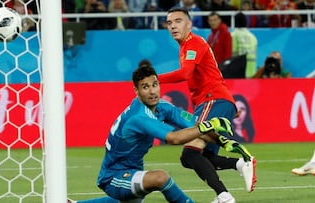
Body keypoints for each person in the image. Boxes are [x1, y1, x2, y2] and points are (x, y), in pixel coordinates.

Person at [68, 64, 234, 203]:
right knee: (160, 178)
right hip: (114, 177)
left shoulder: (162, 106)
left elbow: (195, 125)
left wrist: (227, 143)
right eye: (145, 87)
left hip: (133, 171)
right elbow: (174, 138)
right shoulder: (139, 116)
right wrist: (209, 126)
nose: (152, 91)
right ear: (136, 90)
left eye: (155, 84)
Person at [159, 8, 257, 202]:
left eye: (178, 21)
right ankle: (237, 169)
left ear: (189, 24)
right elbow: (210, 75)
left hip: (212, 100)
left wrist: (155, 78)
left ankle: (225, 195)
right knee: (202, 157)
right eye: (170, 23)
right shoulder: (187, 46)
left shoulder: (193, 43)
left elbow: (185, 74)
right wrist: (228, 105)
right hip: (216, 101)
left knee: (189, 155)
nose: (173, 26)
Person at [231, 12, 258, 78]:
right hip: (252, 71)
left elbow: (231, 53)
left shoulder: (233, 36)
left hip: (238, 72)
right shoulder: (253, 37)